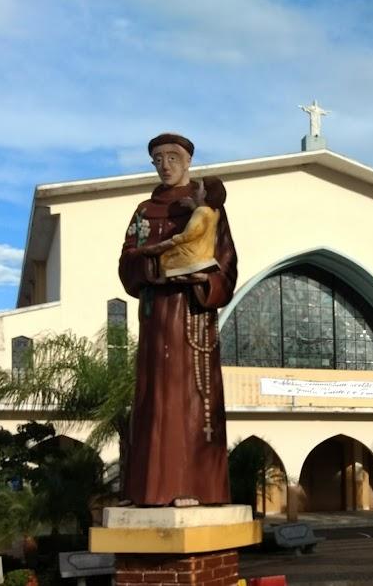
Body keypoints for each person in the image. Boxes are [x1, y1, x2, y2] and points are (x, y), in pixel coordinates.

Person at [118, 132, 238, 507]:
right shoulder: (143, 211)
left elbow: (228, 265)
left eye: (172, 157)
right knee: (155, 400)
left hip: (193, 316)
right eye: (158, 158)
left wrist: (207, 280)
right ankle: (152, 491)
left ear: (187, 162)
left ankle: (198, 487)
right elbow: (127, 264)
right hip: (156, 321)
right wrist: (153, 266)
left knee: (192, 400)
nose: (165, 164)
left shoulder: (208, 210)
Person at [137, 178, 225, 280]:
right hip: (206, 254)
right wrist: (193, 205)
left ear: (204, 194)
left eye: (198, 190)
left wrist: (172, 241)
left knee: (165, 257)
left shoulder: (200, 211)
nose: (194, 192)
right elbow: (205, 217)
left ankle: (165, 278)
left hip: (193, 255)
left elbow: (190, 233)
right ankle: (182, 275)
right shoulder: (215, 213)